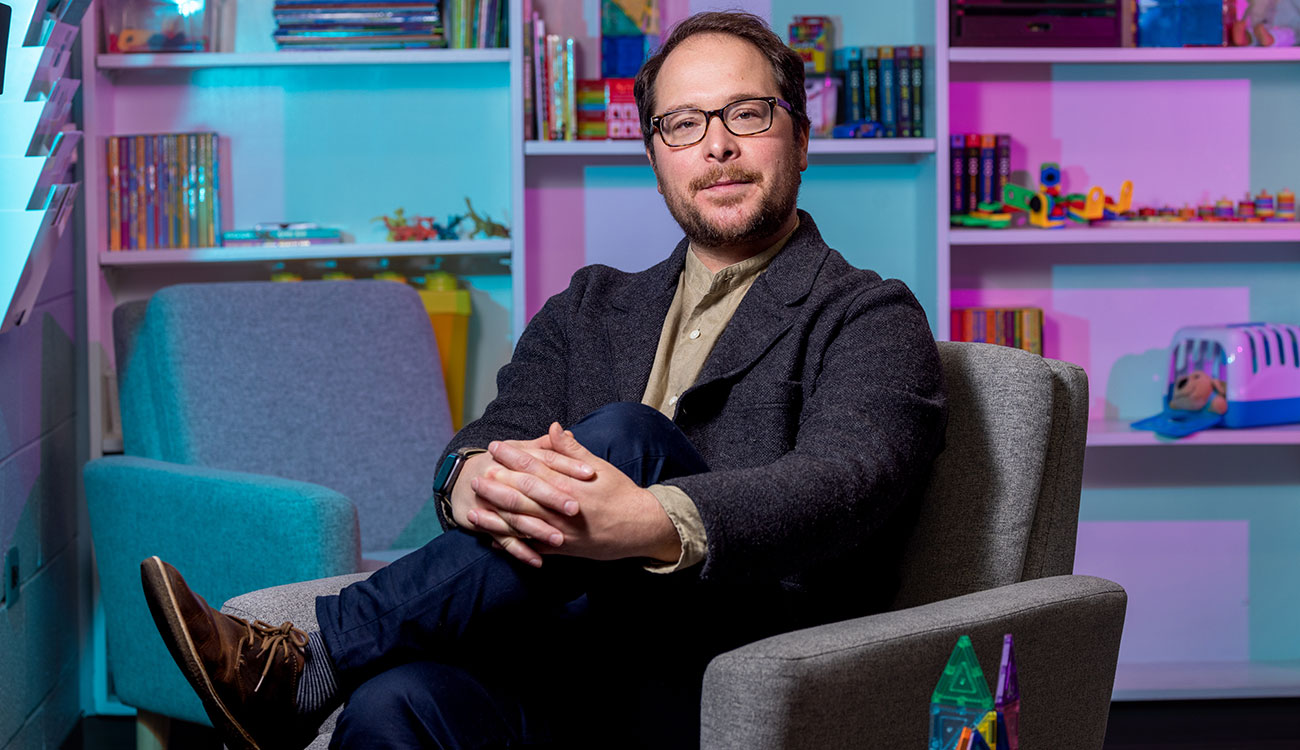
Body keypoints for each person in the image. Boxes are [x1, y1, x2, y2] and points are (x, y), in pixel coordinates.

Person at [140, 10, 948, 750]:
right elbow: (493, 434)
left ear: (800, 141)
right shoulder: (590, 305)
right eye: (684, 124)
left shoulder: (867, 314)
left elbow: (849, 482)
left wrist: (650, 518)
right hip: (556, 660)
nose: (717, 145)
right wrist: (467, 479)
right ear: (657, 159)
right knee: (393, 705)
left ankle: (315, 654)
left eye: (747, 114)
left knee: (630, 436)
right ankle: (328, 672)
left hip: (728, 665)